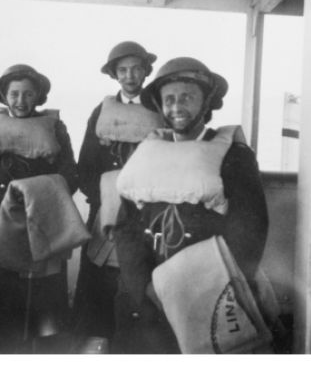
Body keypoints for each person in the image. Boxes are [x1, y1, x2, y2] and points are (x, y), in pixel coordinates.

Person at [112, 57, 270, 354]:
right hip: (151, 295)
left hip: (208, 295)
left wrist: (208, 290)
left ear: (206, 102)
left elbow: (250, 231)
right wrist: (144, 287)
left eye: (187, 97)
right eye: (169, 99)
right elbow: (127, 227)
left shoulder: (234, 157)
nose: (176, 107)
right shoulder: (147, 155)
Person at [0, 64, 79, 352]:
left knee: (41, 314)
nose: (21, 101)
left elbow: (70, 178)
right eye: (14, 94)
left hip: (40, 227)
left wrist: (38, 193)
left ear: (38, 97)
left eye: (28, 94)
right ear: (3, 95)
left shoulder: (55, 129)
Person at [73, 41, 162, 342]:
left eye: (136, 68)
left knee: (141, 282)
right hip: (106, 210)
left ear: (146, 72)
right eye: (122, 70)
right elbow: (85, 166)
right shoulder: (101, 111)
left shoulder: (160, 108)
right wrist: (105, 199)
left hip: (149, 212)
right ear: (114, 75)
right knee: (98, 285)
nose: (130, 76)